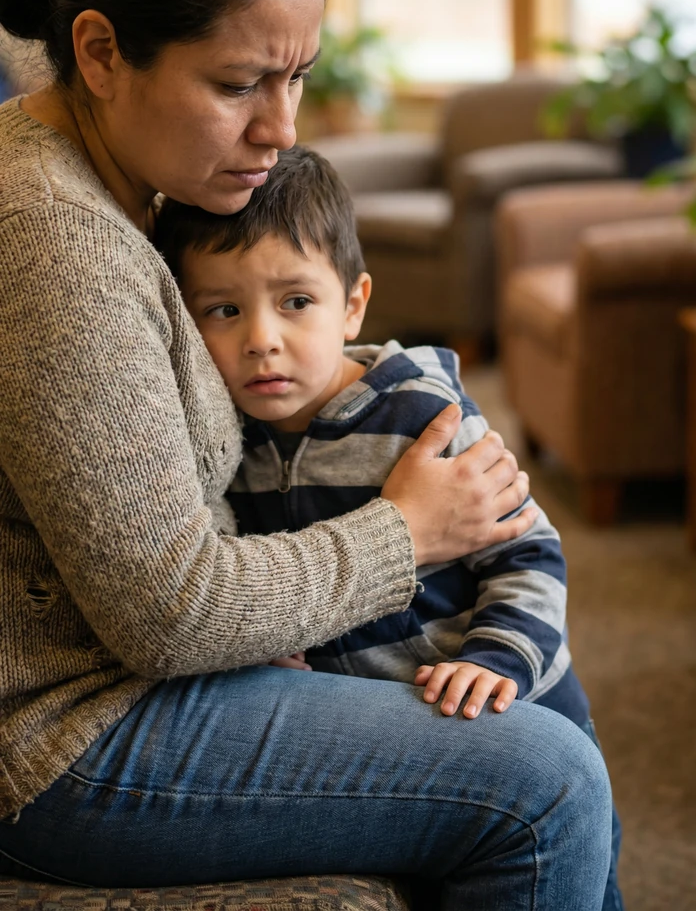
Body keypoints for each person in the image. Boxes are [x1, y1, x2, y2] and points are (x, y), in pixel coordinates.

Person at [0, 0, 612, 909]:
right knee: (544, 784)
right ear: (98, 52)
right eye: (238, 82)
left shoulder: (127, 174)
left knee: (540, 700)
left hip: (131, 676)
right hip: (66, 733)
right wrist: (409, 530)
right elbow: (171, 612)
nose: (280, 129)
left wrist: (406, 410)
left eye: (296, 76)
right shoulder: (56, 243)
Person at [155, 144, 624, 910]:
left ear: (354, 303)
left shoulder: (421, 416)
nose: (261, 339)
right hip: (395, 723)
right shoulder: (230, 437)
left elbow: (530, 552)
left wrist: (496, 660)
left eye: (295, 302)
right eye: (224, 310)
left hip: (512, 700)